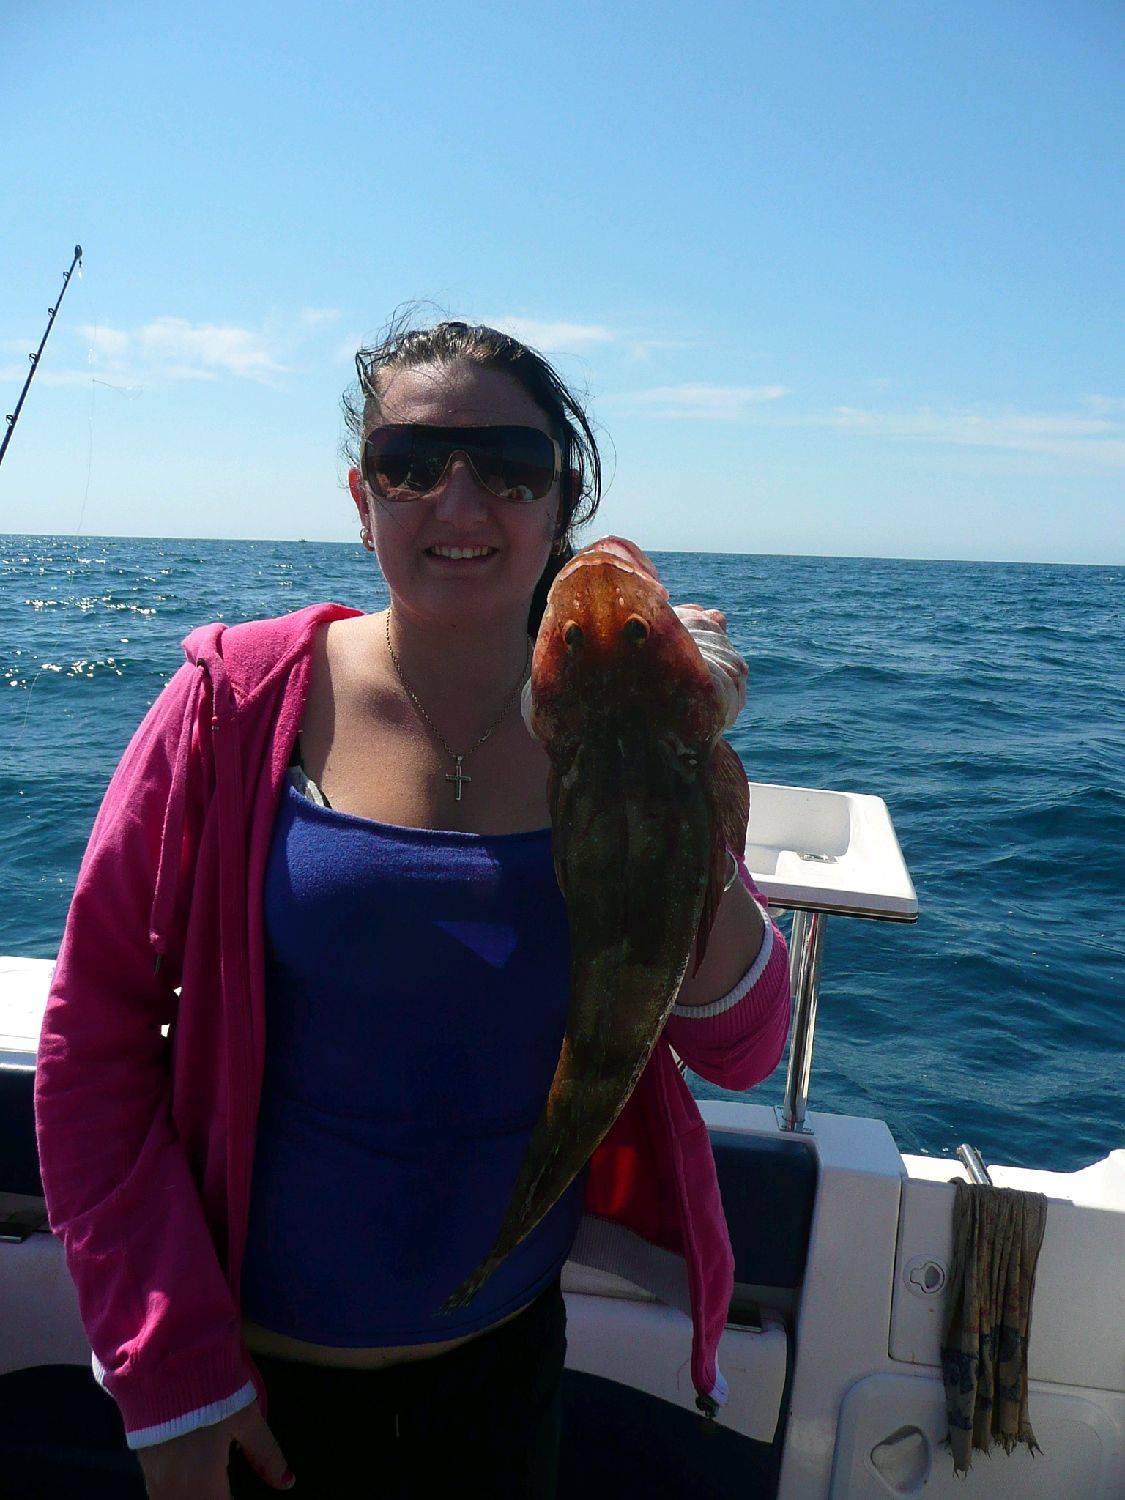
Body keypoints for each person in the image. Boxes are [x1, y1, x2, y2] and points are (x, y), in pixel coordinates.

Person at [34, 317, 792, 1499]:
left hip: (500, 1382)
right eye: (410, 463)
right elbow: (93, 1042)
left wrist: (694, 759)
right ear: (360, 495)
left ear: (559, 500)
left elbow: (743, 1052)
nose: (459, 501)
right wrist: (172, 1376)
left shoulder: (629, 732)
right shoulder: (233, 709)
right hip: (249, 1394)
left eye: (509, 466)